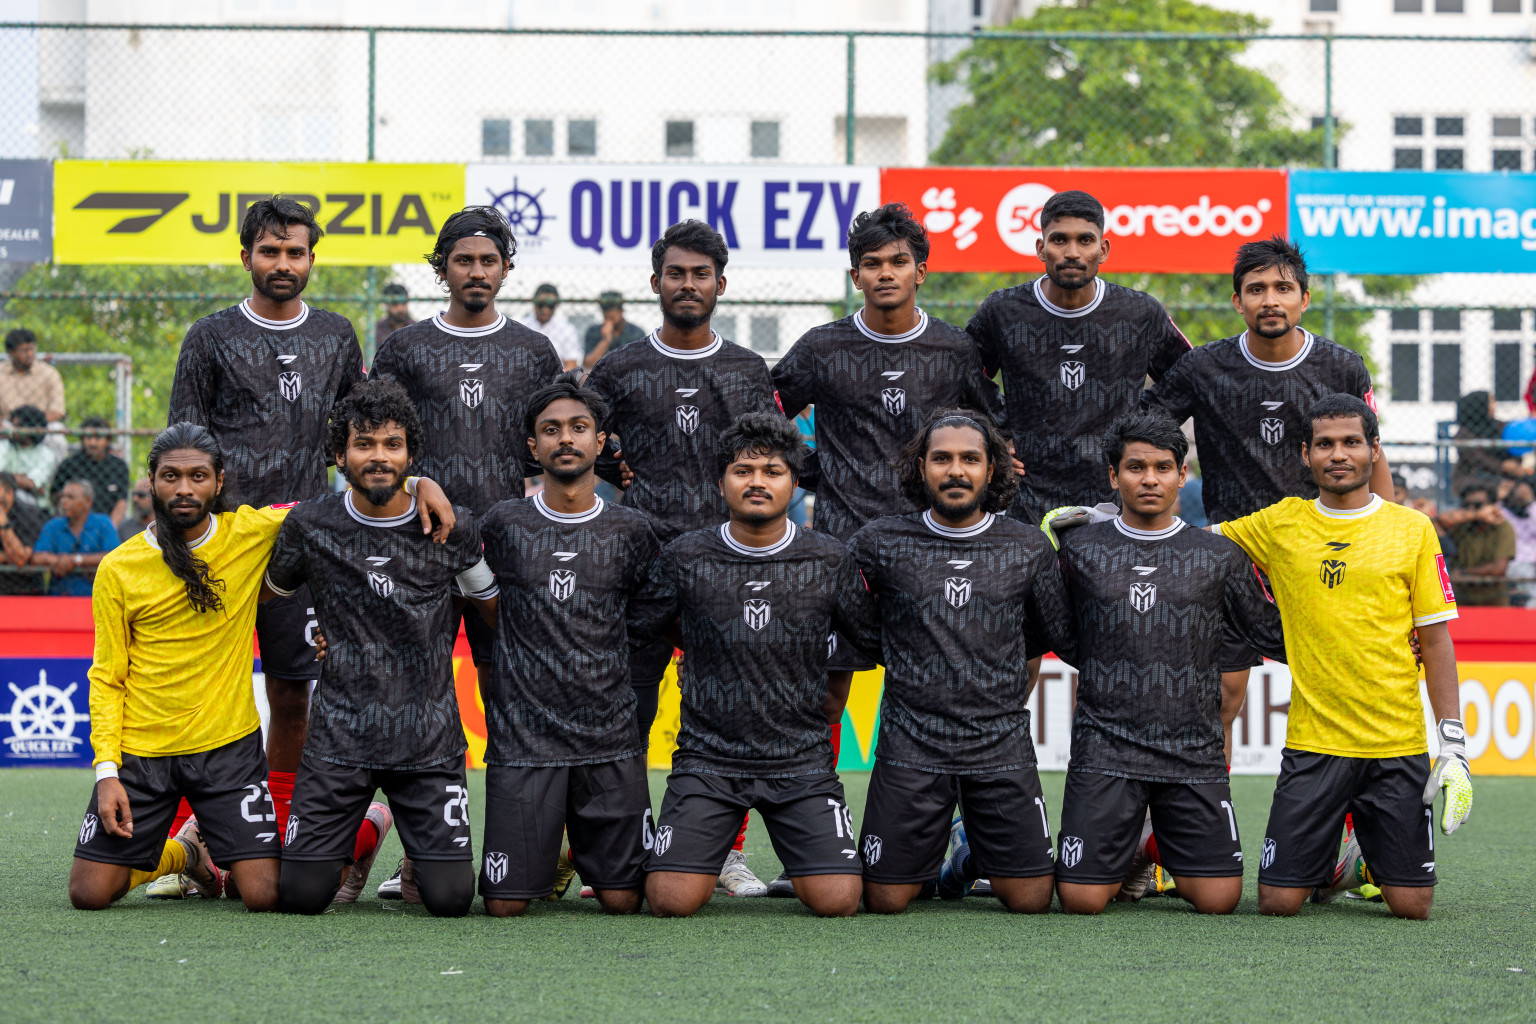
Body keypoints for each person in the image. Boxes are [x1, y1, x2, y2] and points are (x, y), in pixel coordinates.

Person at [769, 202, 1004, 895]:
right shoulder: (822, 346)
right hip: (842, 551)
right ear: (855, 274)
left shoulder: (955, 350)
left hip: (934, 555)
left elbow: (988, 437)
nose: (885, 273)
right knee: (821, 700)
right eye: (871, 263)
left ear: (921, 272)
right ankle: (815, 842)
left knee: (947, 698)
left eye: (898, 261)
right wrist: (810, 474)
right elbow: (767, 419)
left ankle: (965, 838)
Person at [167, 195, 367, 880]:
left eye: (296, 252)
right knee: (200, 692)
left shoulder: (338, 336)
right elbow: (183, 446)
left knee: (290, 693)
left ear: (312, 258)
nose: (283, 263)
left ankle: (273, 833)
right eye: (270, 251)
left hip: (302, 546)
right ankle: (180, 845)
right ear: (246, 254)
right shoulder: (211, 336)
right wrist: (179, 538)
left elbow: (356, 440)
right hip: (219, 544)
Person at [1211, 394, 1470, 920]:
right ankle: (1328, 866)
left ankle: (1354, 860)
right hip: (1314, 744)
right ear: (1305, 455)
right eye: (1325, 444)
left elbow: (1437, 640)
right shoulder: (1282, 523)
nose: (1338, 454)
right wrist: (1107, 524)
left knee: (1413, 907)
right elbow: (1188, 544)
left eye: (1352, 442)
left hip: (1396, 746)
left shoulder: (1412, 529)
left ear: (1374, 451)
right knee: (1277, 902)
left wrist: (1454, 744)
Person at [585, 219, 783, 897]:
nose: (688, 284)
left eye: (701, 274)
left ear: (720, 285)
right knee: (629, 715)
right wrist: (616, 468)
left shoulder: (747, 370)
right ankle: (628, 845)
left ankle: (723, 853)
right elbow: (574, 437)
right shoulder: (620, 367)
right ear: (655, 283)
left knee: (726, 713)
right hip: (638, 570)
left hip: (729, 569)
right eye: (676, 273)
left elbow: (775, 459)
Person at [1143, 236, 1393, 745]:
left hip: (1322, 551)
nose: (1270, 299)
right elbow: (1145, 440)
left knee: (1339, 690)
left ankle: (1345, 815)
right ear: (1237, 301)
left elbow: (1373, 453)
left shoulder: (1341, 367)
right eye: (1256, 289)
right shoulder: (1202, 368)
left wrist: (1386, 538)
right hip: (1232, 551)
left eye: (1283, 288)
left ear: (1305, 297)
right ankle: (1195, 816)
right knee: (1218, 695)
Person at [629, 412, 879, 918]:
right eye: (743, 471)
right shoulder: (685, 556)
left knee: (838, 901)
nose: (758, 481)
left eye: (772, 470)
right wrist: (703, 641)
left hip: (801, 759)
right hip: (708, 760)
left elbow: (868, 638)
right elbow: (643, 627)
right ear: (722, 480)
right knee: (670, 901)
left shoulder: (829, 558)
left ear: (793, 481)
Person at [265, 379, 495, 917]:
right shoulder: (310, 525)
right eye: (363, 444)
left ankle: (407, 844)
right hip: (339, 738)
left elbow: (491, 607)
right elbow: (271, 593)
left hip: (427, 739)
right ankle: (369, 828)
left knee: (452, 901)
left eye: (392, 444)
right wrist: (319, 631)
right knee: (299, 899)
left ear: (411, 455)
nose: (378, 456)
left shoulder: (451, 528)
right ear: (339, 454)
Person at [1049, 414, 1285, 916]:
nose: (1150, 479)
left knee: (1219, 901)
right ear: (1113, 476)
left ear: (1182, 474)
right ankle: (1127, 849)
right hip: (1105, 748)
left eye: (1163, 467)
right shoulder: (1079, 550)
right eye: (1136, 468)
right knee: (1081, 900)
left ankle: (1148, 848)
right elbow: (1063, 635)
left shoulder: (1218, 555)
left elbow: (1273, 631)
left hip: (1192, 753)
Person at [849, 408, 1071, 915]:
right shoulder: (879, 541)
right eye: (942, 459)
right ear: (920, 467)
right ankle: (932, 853)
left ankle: (967, 852)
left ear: (992, 470)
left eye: (970, 459)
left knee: (1032, 901)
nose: (956, 471)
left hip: (999, 745)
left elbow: (1043, 638)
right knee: (884, 900)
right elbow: (854, 622)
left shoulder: (1028, 546)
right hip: (912, 743)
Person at [69, 423, 290, 912]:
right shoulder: (118, 568)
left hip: (227, 748)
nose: (184, 488)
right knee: (89, 893)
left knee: (265, 895)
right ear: (150, 480)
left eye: (197, 476)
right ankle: (187, 853)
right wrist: (107, 772)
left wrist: (414, 485)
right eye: (170, 476)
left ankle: (367, 825)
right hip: (142, 753)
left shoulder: (249, 533)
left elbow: (330, 510)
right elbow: (106, 677)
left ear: (219, 481)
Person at [475, 373, 659, 916]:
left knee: (625, 902)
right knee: (505, 907)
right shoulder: (504, 523)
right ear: (534, 447)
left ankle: (580, 844)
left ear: (600, 442)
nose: (566, 439)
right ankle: (549, 845)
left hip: (610, 737)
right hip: (524, 739)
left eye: (580, 428)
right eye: (551, 430)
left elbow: (654, 622)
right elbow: (468, 589)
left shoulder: (633, 529)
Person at [964, 189, 1190, 524]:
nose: (1072, 252)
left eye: (1085, 240)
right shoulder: (1004, 310)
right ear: (1041, 248)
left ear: (1103, 249)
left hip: (1114, 499)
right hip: (1026, 496)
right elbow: (963, 373)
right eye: (1059, 240)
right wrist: (994, 434)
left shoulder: (1139, 313)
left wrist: (1136, 428)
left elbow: (1188, 377)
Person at [31, 480, 118, 596]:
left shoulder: (103, 523)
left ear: (88, 501)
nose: (63, 501)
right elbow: (37, 557)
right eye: (62, 496)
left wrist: (76, 560)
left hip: (96, 597)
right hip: (58, 597)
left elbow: (114, 556)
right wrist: (58, 561)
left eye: (70, 497)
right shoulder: (53, 526)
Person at [1440, 481, 1515, 608]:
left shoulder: (1502, 526)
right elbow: (1440, 520)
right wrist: (1476, 515)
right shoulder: (1464, 523)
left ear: (1491, 506)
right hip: (1462, 596)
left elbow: (1498, 568)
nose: (1471, 509)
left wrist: (1464, 572)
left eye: (1477, 505)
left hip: (1492, 597)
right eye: (1467, 505)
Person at [51, 416, 131, 523]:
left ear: (107, 440)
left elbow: (121, 503)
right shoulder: (69, 464)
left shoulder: (118, 466)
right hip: (73, 523)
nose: (92, 443)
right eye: (88, 437)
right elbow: (55, 496)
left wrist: (108, 530)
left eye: (98, 437)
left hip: (107, 523)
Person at [0, 328, 66, 427]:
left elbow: (58, 411)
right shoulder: (1, 372)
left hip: (42, 423)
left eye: (32, 349)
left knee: (57, 431)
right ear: (11, 353)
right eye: (23, 350)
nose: (29, 354)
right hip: (9, 424)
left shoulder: (49, 373)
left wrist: (32, 423)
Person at [0, 405, 61, 509]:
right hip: (4, 499)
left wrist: (7, 477)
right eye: (13, 426)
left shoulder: (46, 454)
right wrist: (20, 479)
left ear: (31, 429)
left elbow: (32, 484)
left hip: (33, 507)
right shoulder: (5, 445)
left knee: (20, 496)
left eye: (18, 427)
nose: (13, 431)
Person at [1450, 391, 1505, 497]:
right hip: (1473, 476)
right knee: (1481, 493)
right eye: (1491, 402)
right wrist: (1503, 467)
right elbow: (1480, 460)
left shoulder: (1497, 426)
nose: (1495, 405)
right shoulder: (1463, 434)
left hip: (1499, 476)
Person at [0, 471, 46, 595]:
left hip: (25, 587)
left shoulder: (29, 514)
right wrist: (6, 556)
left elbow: (21, 559)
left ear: (9, 493)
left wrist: (3, 523)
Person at [518, 282, 582, 371]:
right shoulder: (521, 326)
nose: (545, 310)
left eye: (550, 305)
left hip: (556, 379)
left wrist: (553, 378)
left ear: (556, 305)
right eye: (541, 304)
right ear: (534, 303)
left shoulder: (567, 329)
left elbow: (571, 364)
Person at [583, 290, 648, 370]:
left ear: (621, 311)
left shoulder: (636, 332)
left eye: (613, 310)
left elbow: (640, 363)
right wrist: (605, 340)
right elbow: (588, 364)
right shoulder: (594, 331)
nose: (609, 314)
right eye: (606, 311)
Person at [118, 478, 153, 542]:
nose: (135, 499)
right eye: (133, 495)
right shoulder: (125, 528)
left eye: (141, 495)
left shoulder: (168, 527)